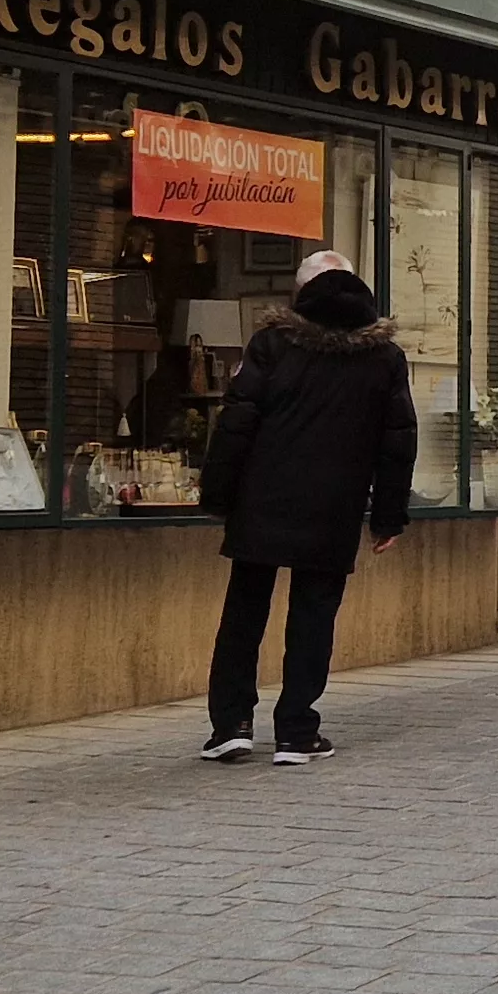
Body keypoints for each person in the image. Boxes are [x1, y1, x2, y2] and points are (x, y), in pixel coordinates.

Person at [196, 252, 411, 763]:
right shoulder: (384, 356)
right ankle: (296, 730)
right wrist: (388, 516)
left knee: (245, 612)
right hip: (334, 505)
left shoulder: (272, 343)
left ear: (302, 293)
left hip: (263, 498)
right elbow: (398, 441)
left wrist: (219, 494)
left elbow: (237, 422)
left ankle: (231, 723)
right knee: (314, 616)